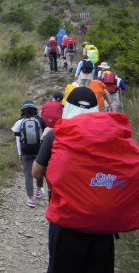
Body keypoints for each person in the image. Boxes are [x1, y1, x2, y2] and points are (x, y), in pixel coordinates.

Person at [32, 87, 115, 273]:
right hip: (103, 223)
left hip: (65, 222)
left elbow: (36, 172)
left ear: (67, 107)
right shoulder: (110, 136)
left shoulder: (56, 135)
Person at [11, 100, 46, 208]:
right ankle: (38, 190)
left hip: (26, 152)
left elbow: (18, 140)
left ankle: (31, 199)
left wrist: (20, 154)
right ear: (34, 109)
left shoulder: (20, 121)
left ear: (23, 110)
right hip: (39, 151)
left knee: (27, 175)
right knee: (40, 170)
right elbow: (45, 136)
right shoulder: (40, 120)